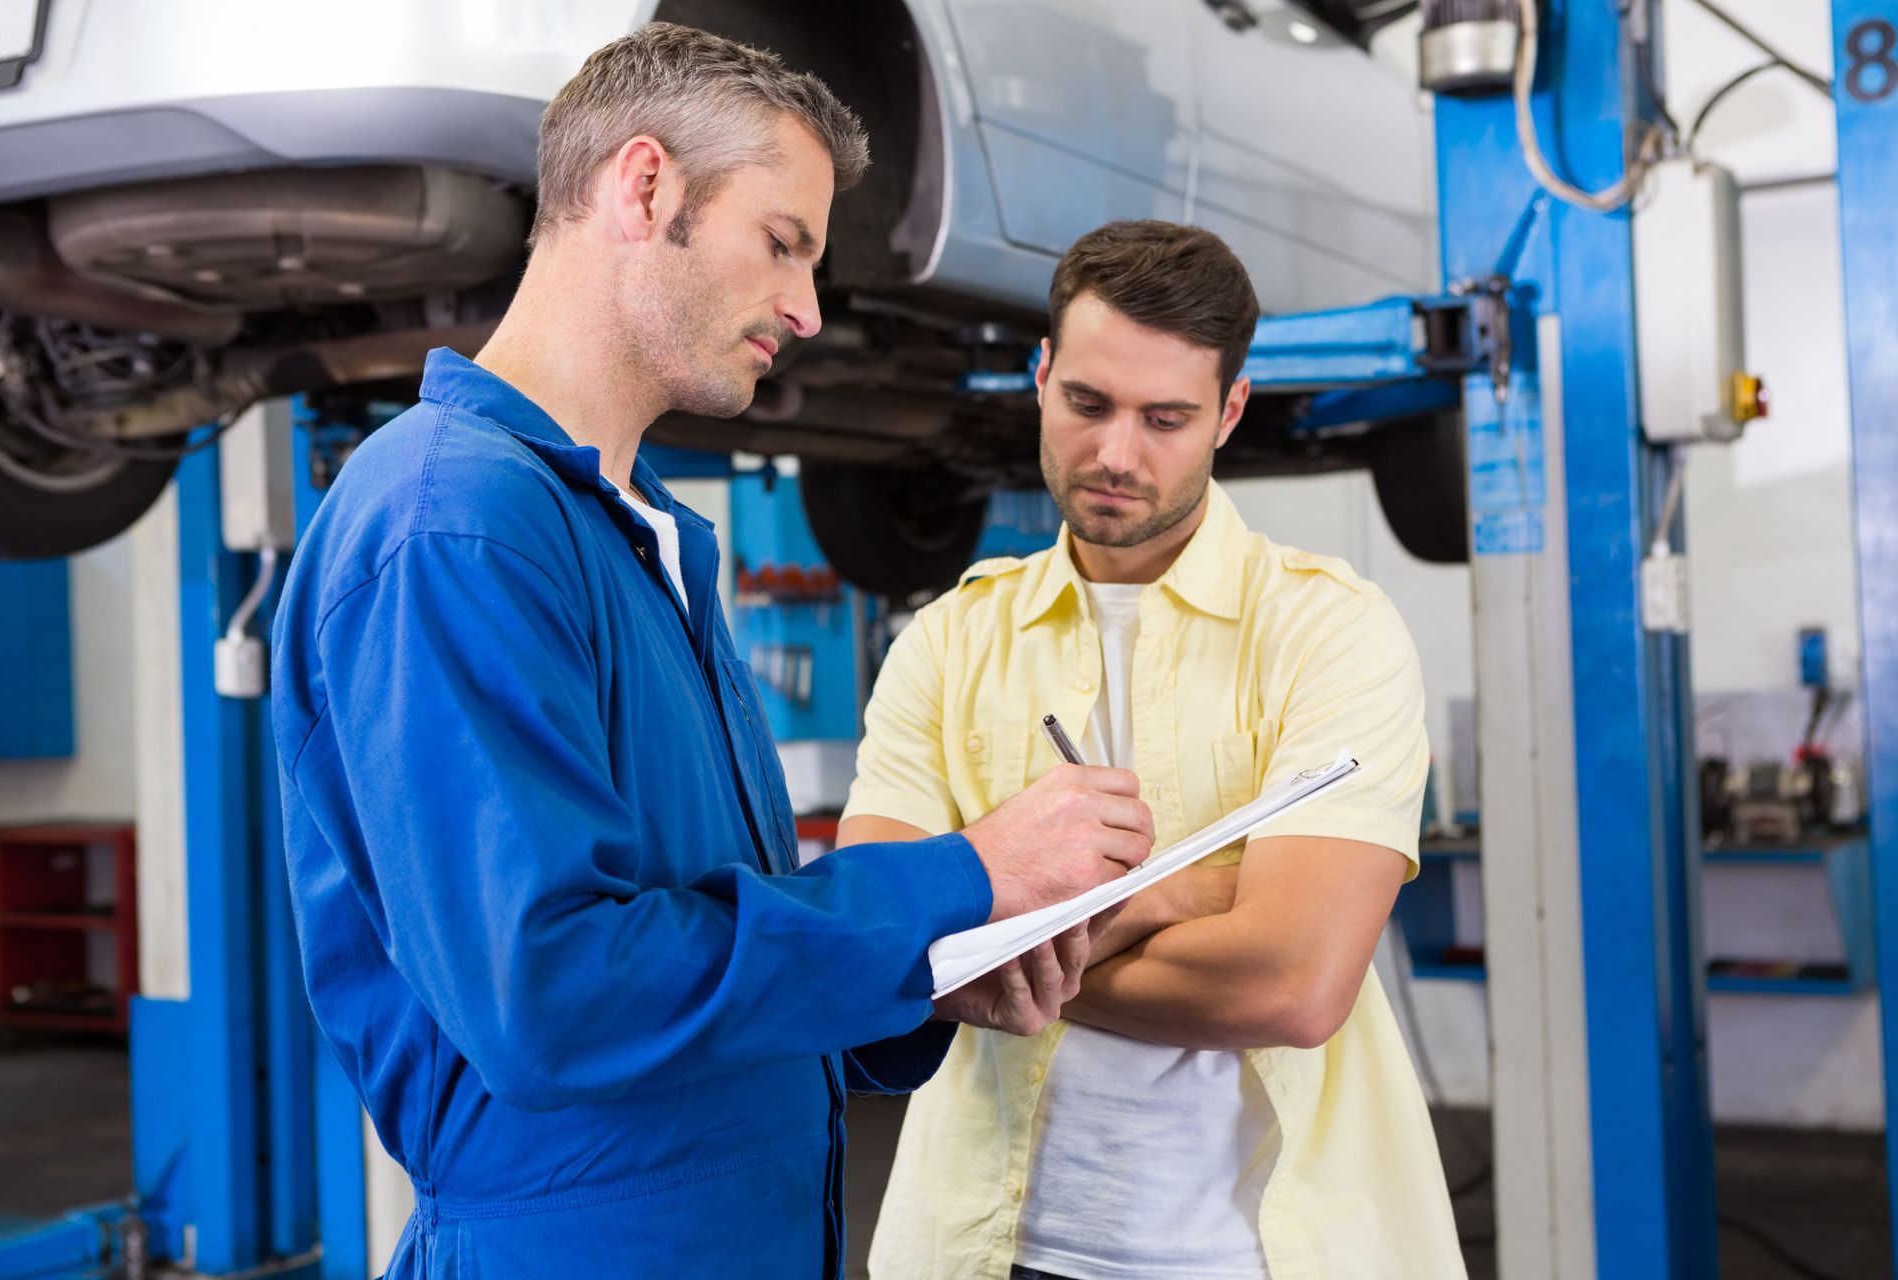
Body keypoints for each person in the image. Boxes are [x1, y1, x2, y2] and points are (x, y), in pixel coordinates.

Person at [270, 25, 1152, 1280]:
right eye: (783, 243)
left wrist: (928, 973)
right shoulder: (452, 524)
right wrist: (957, 880)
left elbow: (705, 949)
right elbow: (553, 990)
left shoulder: (640, 538)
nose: (803, 307)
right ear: (645, 188)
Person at [841, 220, 1466, 1280]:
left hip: (1257, 1255)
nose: (1117, 453)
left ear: (1229, 412)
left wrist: (996, 939)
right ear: (1041, 377)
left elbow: (1293, 983)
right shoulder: (950, 640)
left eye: (1167, 417)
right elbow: (886, 944)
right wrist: (1183, 894)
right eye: (1087, 403)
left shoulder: (1330, 631)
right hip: (980, 1249)